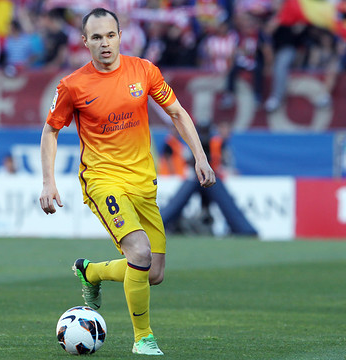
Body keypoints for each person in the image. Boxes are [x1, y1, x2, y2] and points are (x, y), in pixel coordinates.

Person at [39, 8, 216, 356]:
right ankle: (143, 338)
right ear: (84, 42)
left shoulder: (144, 71)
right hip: (103, 179)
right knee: (139, 251)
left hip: (143, 183)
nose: (104, 44)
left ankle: (90, 273)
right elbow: (50, 131)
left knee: (153, 272)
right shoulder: (73, 86)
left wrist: (200, 156)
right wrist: (48, 182)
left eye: (110, 35)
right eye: (96, 37)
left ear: (120, 36)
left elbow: (177, 112)